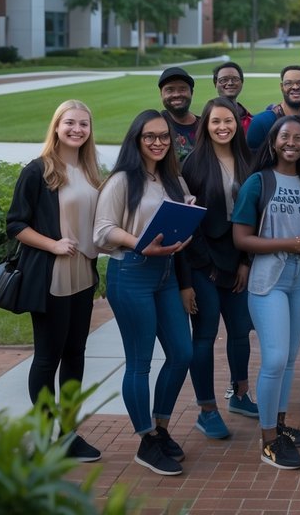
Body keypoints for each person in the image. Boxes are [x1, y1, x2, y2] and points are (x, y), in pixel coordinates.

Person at [93, 110, 195, 476]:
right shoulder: (122, 180)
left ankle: (161, 427)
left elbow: (177, 221)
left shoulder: (172, 179)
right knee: (139, 361)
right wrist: (140, 244)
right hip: (132, 272)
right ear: (136, 139)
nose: (157, 142)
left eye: (164, 136)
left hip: (165, 274)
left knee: (183, 353)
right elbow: (103, 230)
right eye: (149, 136)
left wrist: (187, 215)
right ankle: (146, 440)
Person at [5, 99, 104, 462]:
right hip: (51, 278)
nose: (77, 129)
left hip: (84, 278)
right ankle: (44, 434)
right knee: (48, 358)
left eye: (84, 124)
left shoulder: (93, 171)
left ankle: (69, 433)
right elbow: (16, 224)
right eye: (70, 123)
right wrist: (53, 244)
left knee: (75, 355)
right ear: (56, 127)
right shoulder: (39, 171)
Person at [233, 115, 300, 470]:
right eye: (285, 136)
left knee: (289, 358)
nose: (291, 142)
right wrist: (292, 243)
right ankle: (268, 440)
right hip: (267, 278)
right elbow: (241, 239)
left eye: (299, 137)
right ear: (273, 141)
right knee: (273, 359)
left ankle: (280, 425)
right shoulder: (258, 182)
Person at [179, 98, 259, 441]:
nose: (222, 127)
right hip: (202, 261)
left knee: (241, 330)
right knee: (206, 335)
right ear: (205, 126)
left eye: (228, 120)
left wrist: (245, 261)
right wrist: (203, 268)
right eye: (215, 122)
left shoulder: (249, 162)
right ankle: (207, 410)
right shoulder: (192, 165)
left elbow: (257, 215)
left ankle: (240, 395)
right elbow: (186, 223)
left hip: (237, 257)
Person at [246, 65, 300, 152]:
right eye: (288, 83)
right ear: (282, 87)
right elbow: (252, 162)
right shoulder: (261, 122)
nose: (295, 87)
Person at [159, 66, 201, 162]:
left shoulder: (206, 126)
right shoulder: (153, 126)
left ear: (192, 93)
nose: (176, 94)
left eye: (182, 89)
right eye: (170, 90)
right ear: (161, 94)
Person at [213, 62, 253, 132]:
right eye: (223, 80)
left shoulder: (251, 121)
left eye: (235, 79)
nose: (230, 83)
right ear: (215, 84)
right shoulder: (207, 119)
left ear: (242, 83)